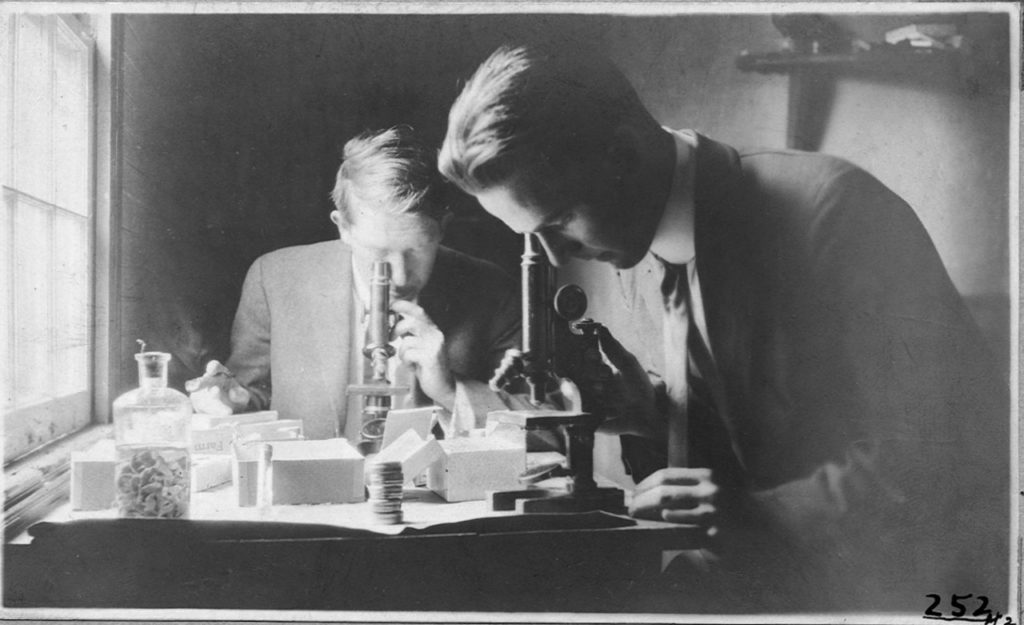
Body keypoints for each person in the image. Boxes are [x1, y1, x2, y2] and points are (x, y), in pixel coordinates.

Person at [437, 44, 1010, 611]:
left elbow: (955, 450)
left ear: (621, 153)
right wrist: (642, 417)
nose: (555, 254)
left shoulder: (833, 213)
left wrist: (757, 517)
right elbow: (733, 449)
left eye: (557, 221)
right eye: (531, 237)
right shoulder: (633, 247)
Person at [187, 126, 521, 442]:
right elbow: (253, 397)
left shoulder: (494, 290)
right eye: (379, 252)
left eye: (417, 250)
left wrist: (449, 389)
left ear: (443, 228)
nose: (402, 277)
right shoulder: (273, 278)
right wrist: (232, 402)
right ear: (342, 227)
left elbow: (543, 426)